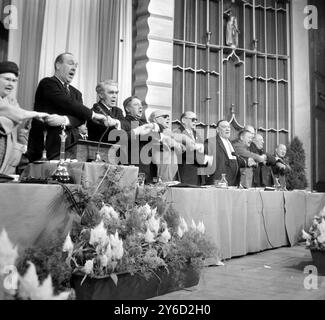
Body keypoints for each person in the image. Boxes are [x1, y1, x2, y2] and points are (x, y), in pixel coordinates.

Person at [27, 52, 109, 161]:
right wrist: (93, 115)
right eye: (70, 63)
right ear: (58, 65)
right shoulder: (47, 83)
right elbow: (67, 103)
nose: (74, 68)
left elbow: (80, 118)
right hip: (45, 147)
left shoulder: (77, 93)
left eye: (76, 65)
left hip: (72, 148)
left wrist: (64, 120)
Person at [0, 61, 48, 174]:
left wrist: (13, 117)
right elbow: (17, 115)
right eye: (6, 79)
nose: (10, 84)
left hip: (6, 165)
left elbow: (16, 116)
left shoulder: (11, 101)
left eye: (14, 81)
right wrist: (35, 114)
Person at [120, 96, 160, 183]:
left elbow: (158, 137)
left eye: (141, 105)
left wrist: (155, 126)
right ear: (127, 109)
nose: (140, 107)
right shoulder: (123, 123)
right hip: (134, 167)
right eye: (136, 104)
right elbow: (122, 140)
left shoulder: (145, 123)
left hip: (150, 168)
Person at [204, 120, 246, 186]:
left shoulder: (231, 143)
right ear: (217, 129)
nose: (228, 129)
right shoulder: (211, 142)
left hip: (233, 182)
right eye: (224, 127)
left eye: (229, 127)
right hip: (219, 181)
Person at [149, 110, 185, 182]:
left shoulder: (169, 133)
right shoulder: (150, 132)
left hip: (173, 173)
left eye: (168, 117)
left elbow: (182, 149)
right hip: (159, 174)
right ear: (155, 119)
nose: (168, 118)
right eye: (165, 117)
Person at [173, 111, 206, 185]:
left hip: (198, 174)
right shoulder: (177, 132)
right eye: (193, 119)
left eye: (196, 120)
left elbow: (202, 149)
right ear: (184, 120)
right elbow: (182, 151)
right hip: (185, 172)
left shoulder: (196, 133)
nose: (195, 121)